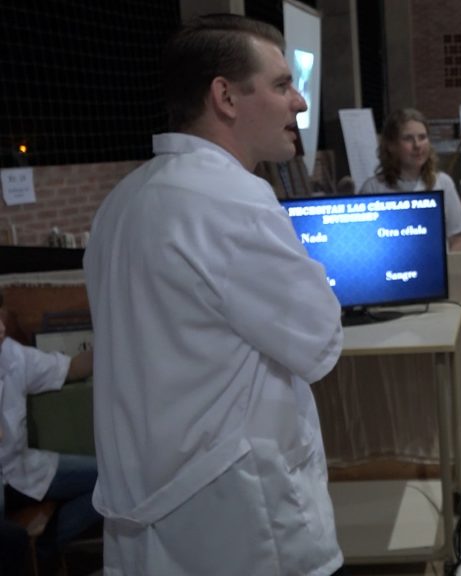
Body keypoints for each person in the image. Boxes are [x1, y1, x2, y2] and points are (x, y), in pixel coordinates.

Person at [83, 15, 346, 575]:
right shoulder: (233, 199)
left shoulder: (122, 202)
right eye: (281, 84)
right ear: (225, 97)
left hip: (147, 511)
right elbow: (320, 342)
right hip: (242, 523)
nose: (299, 103)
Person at [0, 298, 101, 559]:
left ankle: (45, 545)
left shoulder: (13, 355)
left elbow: (71, 369)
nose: (1, 327)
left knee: (109, 478)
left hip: (19, 467)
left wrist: (108, 343)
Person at [360, 108, 461, 251]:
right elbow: (366, 243)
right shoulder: (373, 188)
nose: (417, 145)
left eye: (422, 137)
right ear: (391, 145)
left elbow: (456, 239)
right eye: (408, 138)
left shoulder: (443, 183)